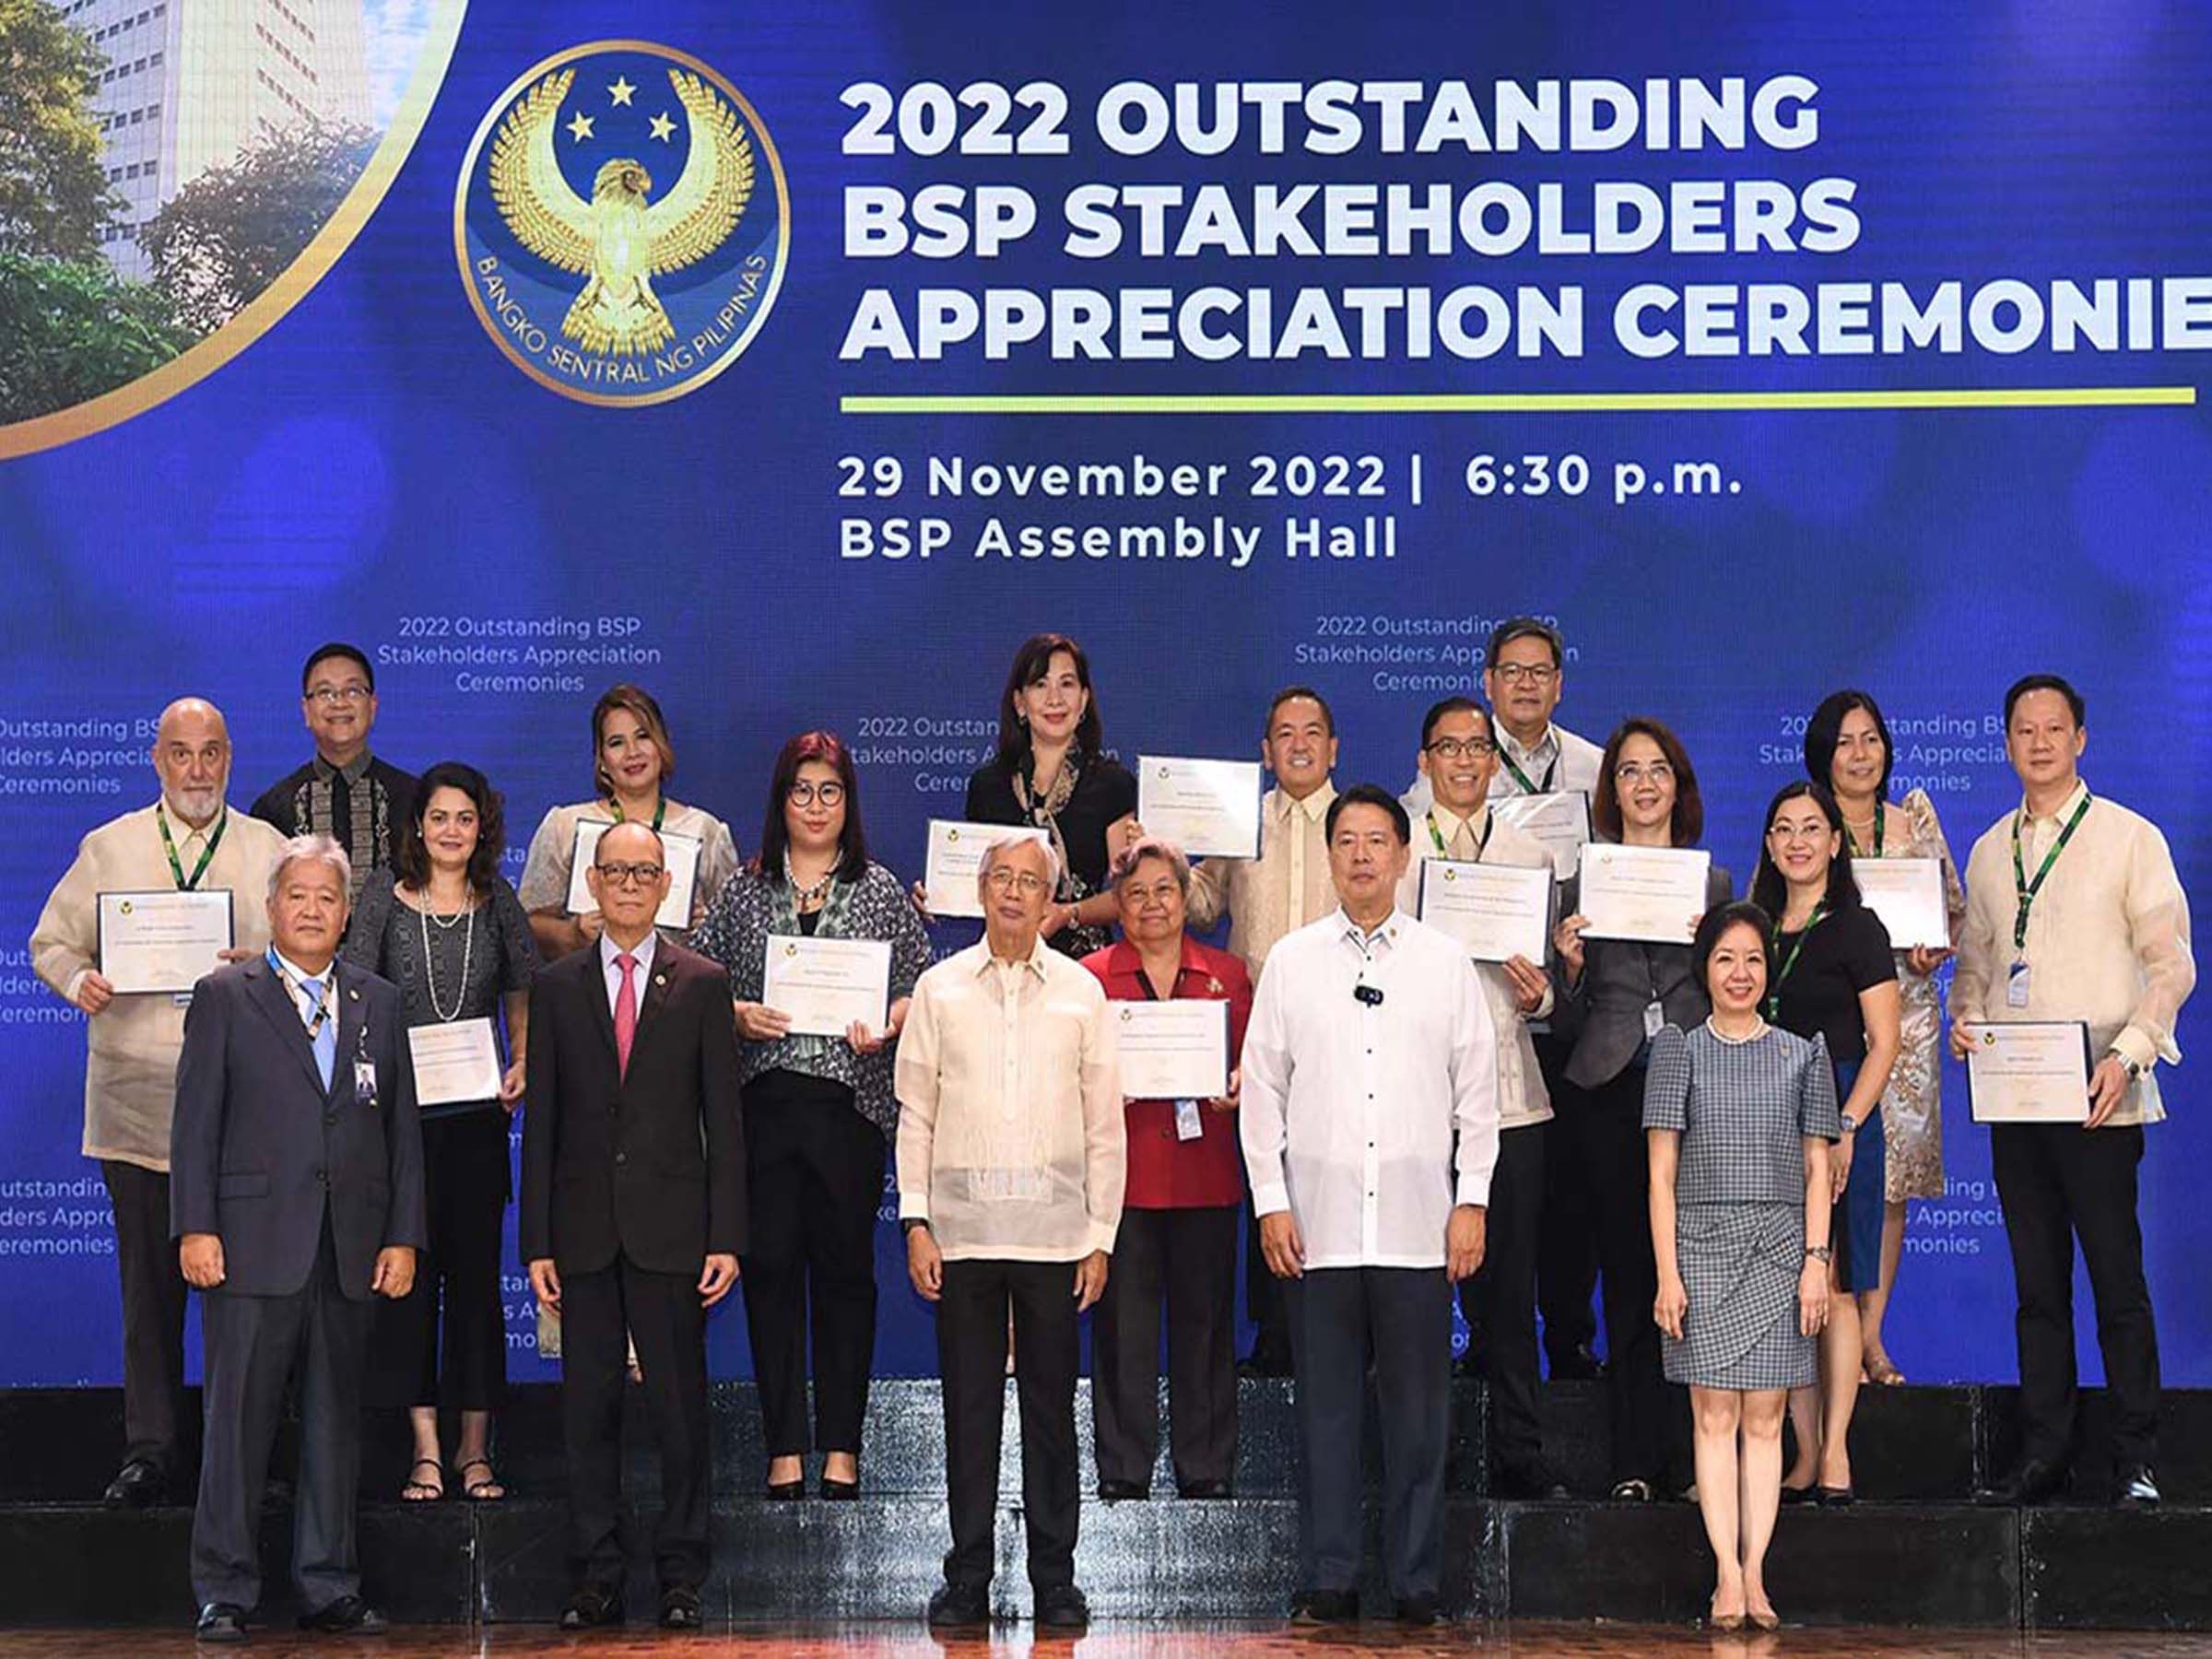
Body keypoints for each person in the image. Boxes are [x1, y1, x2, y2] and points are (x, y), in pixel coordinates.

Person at [1241, 783, 1498, 1627]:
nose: (1360, 856)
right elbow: (1263, 1097)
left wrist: (1473, 1202)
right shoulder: (1290, 960)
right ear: (1329, 856)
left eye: (1375, 841)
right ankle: (1331, 1577)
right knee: (1325, 1414)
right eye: (1345, 841)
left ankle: (1417, 1582)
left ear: (1402, 853)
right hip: (1316, 1227)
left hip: (1421, 1229)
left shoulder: (1444, 962)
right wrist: (1272, 1201)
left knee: (1420, 1419)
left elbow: (1478, 1099)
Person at [29, 697, 288, 1508]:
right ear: (156, 760)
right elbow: (50, 941)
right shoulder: (108, 848)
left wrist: (268, 964)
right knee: (149, 1295)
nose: (197, 770)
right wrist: (80, 980)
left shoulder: (268, 850)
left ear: (230, 758)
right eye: (181, 754)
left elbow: (314, 945)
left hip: (245, 1119)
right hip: (137, 1107)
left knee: (244, 1302)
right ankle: (150, 1450)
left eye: (211, 753)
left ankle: (249, 1457)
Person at [171, 836, 426, 1641]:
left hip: (349, 1246)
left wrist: (403, 1236)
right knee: (236, 1422)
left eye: (327, 897)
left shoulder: (378, 1003)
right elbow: (194, 1124)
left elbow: (403, 1132)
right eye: (298, 895)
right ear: (272, 907)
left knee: (333, 1423)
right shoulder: (224, 995)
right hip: (248, 1243)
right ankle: (225, 1588)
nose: (312, 909)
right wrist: (196, 1226)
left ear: (347, 913)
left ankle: (327, 1584)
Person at [1955, 675, 2194, 1509]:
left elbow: (2173, 968)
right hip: (2017, 1104)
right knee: (2036, 1289)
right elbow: (1977, 968)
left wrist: (2126, 1057)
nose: (2040, 742)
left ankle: (2136, 1458)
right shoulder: (1989, 851)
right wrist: (1966, 1020)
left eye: (2055, 728)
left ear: (2081, 739)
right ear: (2008, 743)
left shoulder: (2132, 839)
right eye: (2024, 730)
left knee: (2117, 1284)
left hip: (2101, 1096)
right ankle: (2043, 1456)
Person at [520, 821, 747, 1630]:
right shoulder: (556, 986)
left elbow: (722, 1119)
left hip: (673, 1232)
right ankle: (595, 1574)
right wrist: (535, 1241)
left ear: (664, 885)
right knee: (588, 1411)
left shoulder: (703, 982)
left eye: (642, 871)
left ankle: (682, 1572)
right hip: (580, 1234)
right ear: (591, 882)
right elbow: (540, 1120)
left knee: (681, 1411)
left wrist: (726, 1235)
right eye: (612, 870)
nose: (626, 883)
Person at [692, 731, 930, 1500]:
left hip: (847, 1109)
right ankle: (783, 1446)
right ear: (780, 801)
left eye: (830, 791)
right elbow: (697, 984)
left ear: (848, 802)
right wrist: (738, 1014)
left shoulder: (881, 890)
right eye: (802, 791)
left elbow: (918, 989)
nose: (816, 806)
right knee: (768, 1273)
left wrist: (889, 1020)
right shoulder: (746, 889)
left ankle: (842, 1446)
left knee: (844, 1276)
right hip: (765, 1104)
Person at [896, 835, 1123, 1631]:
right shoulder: (938, 988)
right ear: (982, 889)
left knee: (1053, 1416)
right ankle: (967, 1579)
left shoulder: (1082, 991)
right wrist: (916, 1220)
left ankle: (1055, 1580)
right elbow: (915, 1113)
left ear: (1047, 896)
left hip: (1057, 1239)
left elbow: (1105, 1125)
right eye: (1003, 879)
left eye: (1032, 882)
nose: (1017, 894)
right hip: (961, 1238)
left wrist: (1101, 1235)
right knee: (969, 1413)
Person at [1402, 618, 1606, 1382]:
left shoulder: (1591, 768)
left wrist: (1553, 988)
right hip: (1423, 1077)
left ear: (1560, 680)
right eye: (1510, 670)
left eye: (1540, 670)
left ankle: (1559, 1360)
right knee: (1429, 1262)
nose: (1525, 683)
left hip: (1537, 1050)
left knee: (1545, 1227)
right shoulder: (1404, 830)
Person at [343, 761, 538, 1503]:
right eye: (439, 817)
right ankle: (425, 1449)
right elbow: (355, 998)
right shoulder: (381, 904)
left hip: (478, 1125)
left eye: (465, 818)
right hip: (401, 1126)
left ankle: (475, 1449)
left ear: (480, 827)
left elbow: (521, 988)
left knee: (478, 1289)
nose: (451, 831)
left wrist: (522, 1059)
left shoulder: (499, 903)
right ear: (416, 826)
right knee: (411, 1287)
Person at [1645, 901, 1841, 1633]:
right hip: (1698, 1247)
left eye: (1754, 959)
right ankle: (1723, 1573)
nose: (1740, 973)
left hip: (1781, 1249)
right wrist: (1668, 1272)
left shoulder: (1803, 1054)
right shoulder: (1678, 1050)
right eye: (1726, 958)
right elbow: (1660, 1175)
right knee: (1713, 1413)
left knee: (1765, 1421)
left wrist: (1816, 1263)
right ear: (1705, 967)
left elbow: (1818, 1169)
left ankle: (1756, 1570)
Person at [1550, 717, 1730, 1502]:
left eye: (1660, 770)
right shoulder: (1579, 887)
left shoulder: (1717, 888)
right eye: (1629, 772)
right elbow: (1561, 1020)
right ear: (1610, 789)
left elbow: (1745, 996)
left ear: (1679, 788)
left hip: (1697, 1085)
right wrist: (1569, 967)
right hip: (1609, 1090)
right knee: (1629, 1276)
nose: (1645, 784)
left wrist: (1711, 951)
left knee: (1702, 1275)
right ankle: (1635, 1462)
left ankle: (1704, 1462)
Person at [1393, 698, 1563, 1498]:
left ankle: (1519, 1456)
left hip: (1509, 1097)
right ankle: (1415, 1462)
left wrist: (1541, 998)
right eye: (1447, 748)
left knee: (1511, 1284)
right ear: (1424, 759)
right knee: (1413, 1287)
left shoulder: (1531, 855)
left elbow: (1556, 992)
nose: (1463, 761)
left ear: (1495, 762)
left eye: (1476, 748)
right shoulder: (1389, 844)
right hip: (1414, 1101)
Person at [1080, 840, 1253, 1501]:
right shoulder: (1092, 978)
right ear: (1117, 906)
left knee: (1205, 1328)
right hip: (1122, 1179)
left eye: (1165, 891)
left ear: (1187, 901)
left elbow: (1254, 1064)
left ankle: (1205, 1467)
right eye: (1135, 893)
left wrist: (1239, 1083)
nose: (1151, 904)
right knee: (1122, 1330)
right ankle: (1124, 1470)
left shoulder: (1228, 975)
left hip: (1204, 1172)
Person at [1803, 689, 1966, 1386]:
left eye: (1871, 739)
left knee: (1887, 1184)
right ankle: (1820, 1337)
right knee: (1821, 1176)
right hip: (1825, 1020)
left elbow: (1952, 916)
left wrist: (1937, 949)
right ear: (1822, 754)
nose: (1861, 754)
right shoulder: (1804, 826)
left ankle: (1871, 1338)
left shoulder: (1914, 822)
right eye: (1845, 742)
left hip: (1906, 1018)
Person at [1747, 782, 1900, 1505]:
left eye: (1813, 828)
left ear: (1837, 843)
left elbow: (1885, 1042)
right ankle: (1802, 1452)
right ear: (1770, 845)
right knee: (1781, 1292)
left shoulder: (1858, 927)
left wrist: (1846, 1124)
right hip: (1760, 1120)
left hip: (1838, 1116)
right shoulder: (1751, 928)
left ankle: (1837, 1448)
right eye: (1784, 829)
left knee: (1833, 1287)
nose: (1798, 841)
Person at [1183, 685, 1340, 1380]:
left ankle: (1339, 1338)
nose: (1299, 743)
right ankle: (1274, 1342)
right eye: (1284, 733)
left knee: (1335, 1184)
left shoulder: (1360, 824)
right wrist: (1155, 852)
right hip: (1259, 1036)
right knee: (1266, 1184)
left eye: (1312, 731)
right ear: (1265, 751)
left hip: (1346, 1032)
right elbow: (1201, 905)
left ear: (1334, 748)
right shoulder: (1238, 822)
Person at [519, 684, 741, 962]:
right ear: (601, 760)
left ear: (662, 744)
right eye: (616, 742)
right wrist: (571, 933)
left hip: (678, 997)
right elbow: (527, 924)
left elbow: (736, 933)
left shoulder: (705, 831)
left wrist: (709, 926)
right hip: (586, 995)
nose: (632, 752)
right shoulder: (565, 826)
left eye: (643, 736)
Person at [961, 633, 1138, 960]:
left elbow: (1125, 894)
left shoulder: (1113, 784)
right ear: (1020, 703)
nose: (1054, 699)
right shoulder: (988, 786)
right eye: (1040, 685)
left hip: (1084, 964)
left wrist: (1068, 913)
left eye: (1067, 684)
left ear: (1083, 700)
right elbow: (975, 880)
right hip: (1003, 957)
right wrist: (941, 894)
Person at [249, 642, 418, 901]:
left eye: (352, 691)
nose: (339, 703)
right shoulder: (273, 808)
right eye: (325, 692)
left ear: (372, 707)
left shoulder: (414, 800)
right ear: (306, 710)